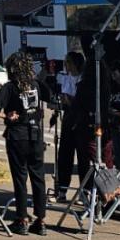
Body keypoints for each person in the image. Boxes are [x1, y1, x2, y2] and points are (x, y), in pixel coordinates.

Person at [0, 52, 52, 235]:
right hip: (35, 135)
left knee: (20, 177)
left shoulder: (10, 88)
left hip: (17, 136)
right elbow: (50, 97)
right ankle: (41, 220)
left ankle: (22, 219)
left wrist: (6, 115)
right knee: (38, 176)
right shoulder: (36, 85)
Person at [53, 52, 86, 199]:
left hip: (80, 120)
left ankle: (84, 192)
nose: (67, 65)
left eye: (69, 62)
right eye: (66, 62)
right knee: (65, 155)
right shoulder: (65, 77)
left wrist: (70, 100)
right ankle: (62, 190)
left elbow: (80, 102)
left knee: (83, 158)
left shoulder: (83, 79)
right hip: (67, 118)